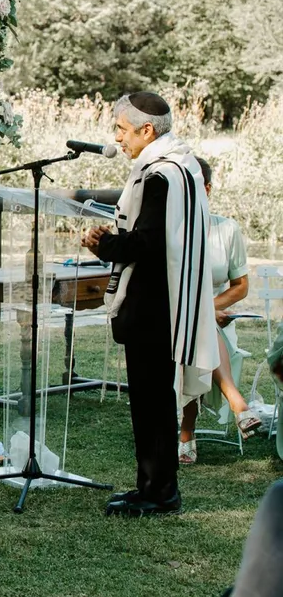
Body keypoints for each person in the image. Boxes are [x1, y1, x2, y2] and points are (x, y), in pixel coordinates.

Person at [82, 92, 219, 517]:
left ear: (146, 130)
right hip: (166, 299)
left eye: (121, 130)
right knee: (150, 401)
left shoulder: (160, 175)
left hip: (155, 305)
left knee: (153, 403)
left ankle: (159, 493)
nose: (117, 139)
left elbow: (151, 243)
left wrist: (104, 243)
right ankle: (150, 486)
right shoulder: (184, 167)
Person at [177, 157, 261, 464]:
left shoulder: (227, 230)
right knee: (197, 330)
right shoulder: (167, 232)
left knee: (202, 330)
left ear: (207, 189)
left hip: (218, 321)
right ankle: (239, 403)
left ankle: (187, 434)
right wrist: (200, 313)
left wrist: (207, 309)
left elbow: (241, 286)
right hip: (175, 320)